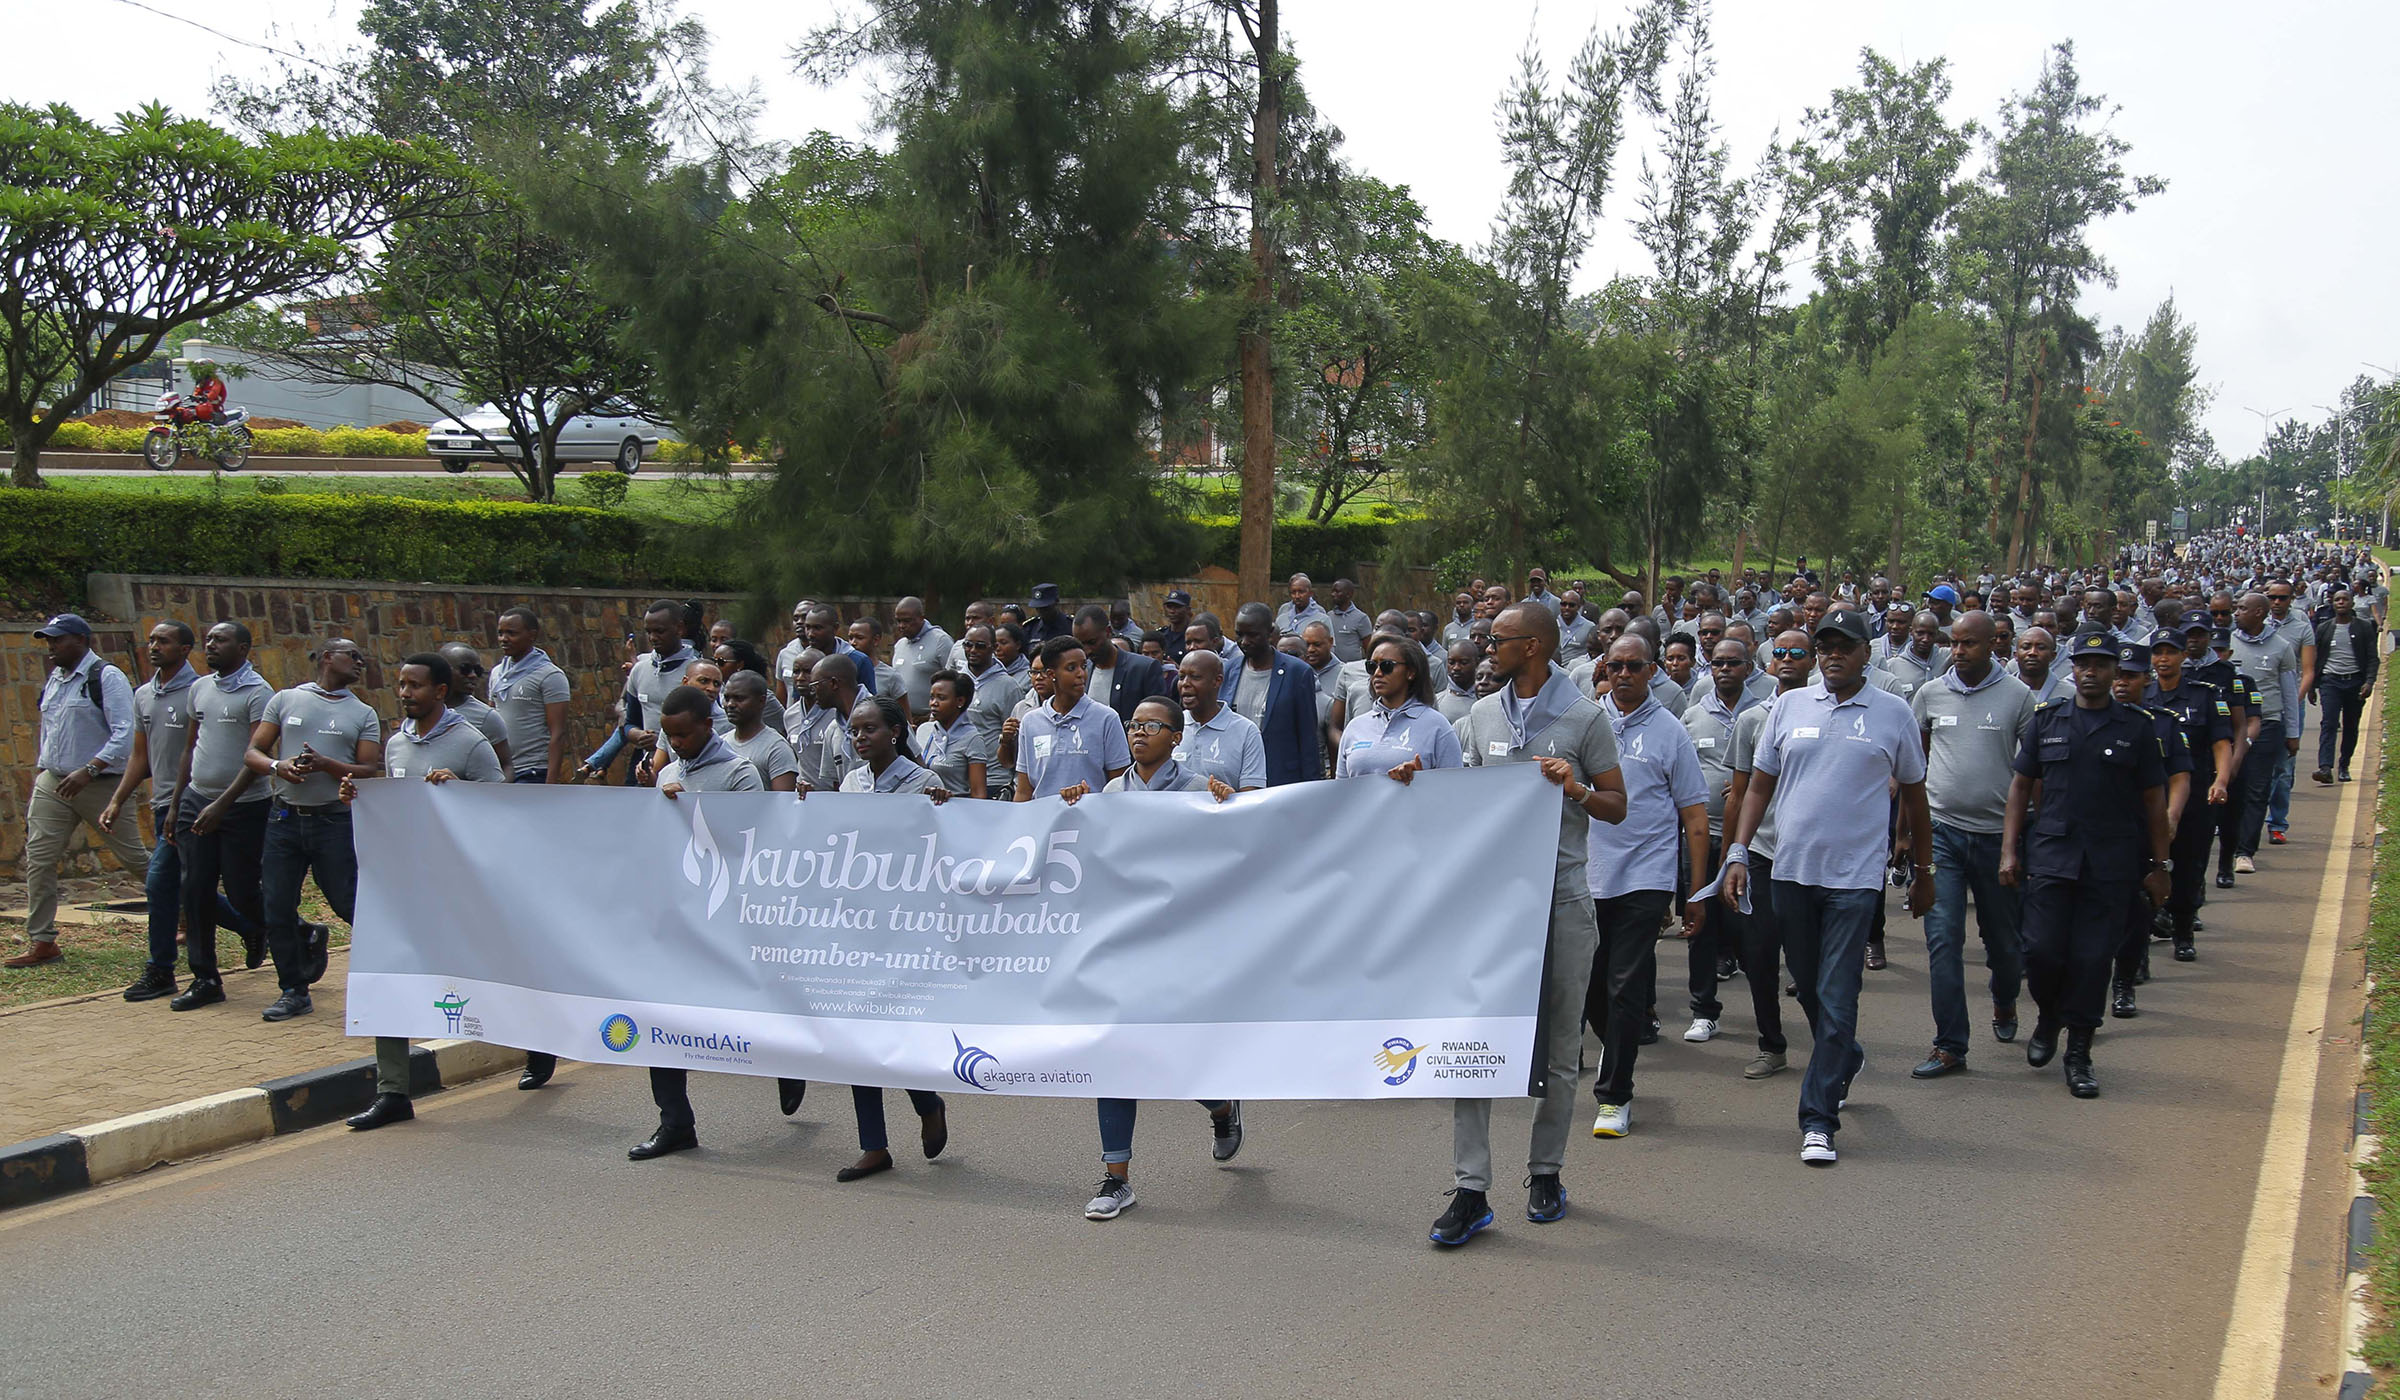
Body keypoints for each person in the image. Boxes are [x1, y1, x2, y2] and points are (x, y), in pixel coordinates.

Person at [1432, 603, 1625, 1246]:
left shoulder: (1585, 717)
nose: (1488, 648)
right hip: (1493, 908)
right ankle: (1470, 1188)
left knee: (1561, 1044)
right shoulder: (1482, 715)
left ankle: (1546, 1171)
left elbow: (1617, 805)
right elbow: (1458, 800)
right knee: (1473, 1047)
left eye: (1499, 640)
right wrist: (1413, 783)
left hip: (1563, 900)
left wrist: (1576, 789)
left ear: (1535, 645)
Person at [1722, 608, 1932, 1167]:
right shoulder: (1789, 706)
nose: (1834, 655)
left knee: (1839, 995)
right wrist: (1739, 852)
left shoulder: (1893, 714)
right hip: (1791, 872)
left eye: (1846, 646)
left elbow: (1915, 796)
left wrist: (1923, 870)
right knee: (1812, 990)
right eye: (1826, 646)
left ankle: (1818, 1119)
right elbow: (1758, 789)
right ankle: (1846, 1055)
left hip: (1854, 880)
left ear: (1868, 652)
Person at [631, 685, 818, 1158]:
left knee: (759, 1002)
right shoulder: (668, 773)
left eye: (683, 734)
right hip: (681, 917)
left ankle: (788, 1058)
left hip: (733, 917)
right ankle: (675, 1122)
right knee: (664, 1017)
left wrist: (690, 813)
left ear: (707, 727)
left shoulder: (739, 774)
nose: (675, 744)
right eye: (668, 736)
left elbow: (754, 845)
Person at [1999, 632, 2173, 1099]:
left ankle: (2079, 1051)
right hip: (2053, 856)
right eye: (2083, 664)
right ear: (2070, 668)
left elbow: (2154, 802)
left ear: (2116, 671)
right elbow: (2020, 787)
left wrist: (2161, 865)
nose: (2090, 672)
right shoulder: (2047, 720)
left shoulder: (2137, 727)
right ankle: (2049, 1014)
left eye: (2101, 664)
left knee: (2093, 960)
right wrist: (2010, 850)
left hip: (2111, 863)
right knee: (2040, 952)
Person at [338, 652, 504, 1131]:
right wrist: (357, 795)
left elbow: (504, 806)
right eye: (401, 685)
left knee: (493, 971)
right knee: (388, 973)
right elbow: (395, 802)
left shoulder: (471, 744)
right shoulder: (395, 745)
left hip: (461, 888)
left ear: (439, 690)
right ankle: (393, 1092)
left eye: (414, 686)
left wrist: (460, 789)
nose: (405, 693)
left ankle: (536, 1046)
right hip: (405, 884)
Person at [1582, 636, 1708, 1140]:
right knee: (1592, 987)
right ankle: (1614, 1049)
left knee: (1624, 985)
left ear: (1653, 670)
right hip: (1587, 874)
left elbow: (1694, 816)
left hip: (1646, 875)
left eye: (1636, 666)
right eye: (1616, 666)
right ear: (1604, 669)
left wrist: (1694, 892)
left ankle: (1615, 1095)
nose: (1625, 673)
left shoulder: (1670, 731)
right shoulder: (1587, 721)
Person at [1906, 611, 2036, 1074]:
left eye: (1970, 645)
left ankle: (2004, 1000)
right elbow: (1913, 765)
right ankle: (1950, 1045)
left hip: (1997, 838)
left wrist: (2019, 840)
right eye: (1954, 644)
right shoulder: (1931, 692)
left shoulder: (2019, 697)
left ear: (1993, 646)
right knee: (1943, 940)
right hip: (1942, 834)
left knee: (2003, 944)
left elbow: (2031, 772)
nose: (1958, 652)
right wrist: (1906, 833)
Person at [246, 638, 382, 1021]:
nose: (359, 661)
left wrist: (327, 764)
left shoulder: (362, 713)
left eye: (361, 656)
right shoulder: (285, 699)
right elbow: (253, 752)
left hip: (332, 821)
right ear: (327, 657)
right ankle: (293, 990)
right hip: (284, 818)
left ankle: (398, 972)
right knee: (277, 906)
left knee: (348, 901)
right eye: (351, 655)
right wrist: (279, 767)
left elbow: (370, 770)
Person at [12, 614, 146, 969]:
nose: (51, 647)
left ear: (81, 641)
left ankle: (186, 915)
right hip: (54, 782)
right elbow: (51, 731)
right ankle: (42, 941)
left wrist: (90, 770)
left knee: (135, 859)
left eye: (58, 640)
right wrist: (44, 772)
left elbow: (125, 733)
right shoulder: (56, 678)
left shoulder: (106, 677)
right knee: (39, 859)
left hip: (99, 784)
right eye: (48, 641)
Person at [160, 623, 276, 1010]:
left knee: (244, 894)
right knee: (194, 889)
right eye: (208, 639)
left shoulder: (259, 693)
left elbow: (256, 759)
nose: (211, 645)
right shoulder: (200, 688)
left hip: (243, 808)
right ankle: (205, 978)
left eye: (220, 640)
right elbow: (189, 748)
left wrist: (222, 805)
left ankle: (301, 932)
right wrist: (177, 803)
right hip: (196, 800)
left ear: (243, 647)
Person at [101, 621, 216, 1001]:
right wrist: (118, 799)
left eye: (164, 641)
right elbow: (140, 756)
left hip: (191, 803)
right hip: (161, 803)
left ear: (185, 649)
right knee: (185, 887)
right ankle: (262, 926)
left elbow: (198, 751)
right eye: (151, 640)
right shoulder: (143, 695)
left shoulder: (199, 691)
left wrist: (183, 803)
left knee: (160, 884)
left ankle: (161, 969)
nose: (154, 647)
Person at [1680, 636, 1762, 1040]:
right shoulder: (1693, 715)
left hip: (1751, 842)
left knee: (1751, 927)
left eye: (1733, 663)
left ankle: (1769, 1015)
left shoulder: (1764, 711)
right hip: (1702, 835)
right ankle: (1703, 1009)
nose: (1725, 669)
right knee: (1700, 923)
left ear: (1749, 667)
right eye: (1717, 663)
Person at [2148, 625, 2235, 962]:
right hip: (2152, 795)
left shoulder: (2204, 695)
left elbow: (2220, 743)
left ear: (2184, 655)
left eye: (2170, 651)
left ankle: (2184, 930)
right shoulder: (2144, 697)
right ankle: (2150, 926)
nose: (2163, 659)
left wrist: (2222, 781)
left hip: (2196, 796)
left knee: (2187, 866)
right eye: (2158, 652)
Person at [579, 600, 696, 783]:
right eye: (648, 631)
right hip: (644, 767)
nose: (653, 637)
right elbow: (629, 722)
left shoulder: (696, 671)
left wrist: (663, 741)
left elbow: (708, 725)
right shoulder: (640, 670)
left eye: (659, 631)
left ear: (679, 628)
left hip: (686, 770)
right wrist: (637, 734)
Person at [2226, 592, 2297, 874]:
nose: (2236, 613)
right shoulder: (2226, 644)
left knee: (2257, 790)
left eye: (2242, 608)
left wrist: (2292, 732)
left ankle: (2245, 852)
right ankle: (2227, 846)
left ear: (2259, 613)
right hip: (2230, 726)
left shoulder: (2281, 647)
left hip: (2267, 725)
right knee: (2231, 787)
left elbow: (2289, 694)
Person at [1013, 636, 1132, 800]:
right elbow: (1024, 790)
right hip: (1044, 821)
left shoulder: (1106, 718)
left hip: (1092, 820)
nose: (1081, 674)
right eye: (1071, 668)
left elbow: (1119, 786)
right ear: (1051, 674)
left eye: (1084, 666)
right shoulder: (1030, 722)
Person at [1334, 635, 1464, 780]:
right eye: (1372, 666)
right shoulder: (1355, 727)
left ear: (1411, 672)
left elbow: (1453, 789)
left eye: (1386, 666)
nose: (1377, 673)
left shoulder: (1438, 727)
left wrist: (1422, 780)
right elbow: (1342, 792)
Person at [1222, 602, 1322, 786]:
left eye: (1252, 635)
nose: (1244, 641)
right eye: (1239, 634)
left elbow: (1307, 737)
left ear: (1270, 633)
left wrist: (1311, 789)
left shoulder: (1297, 673)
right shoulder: (1228, 670)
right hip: (1234, 780)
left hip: (1280, 780)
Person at [490, 608, 572, 784]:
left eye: (511, 633)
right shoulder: (497, 674)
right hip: (503, 770)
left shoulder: (550, 676)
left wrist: (550, 784)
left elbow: (557, 733)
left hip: (533, 771)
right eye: (500, 633)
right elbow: (490, 722)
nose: (504, 639)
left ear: (532, 635)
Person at [1168, 649, 1268, 791]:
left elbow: (1251, 797)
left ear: (1217, 681)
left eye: (1195, 677)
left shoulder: (1246, 731)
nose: (1185, 684)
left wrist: (1229, 796)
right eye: (1181, 677)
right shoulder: (1170, 725)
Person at [2307, 589, 2377, 784]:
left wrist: (2369, 681)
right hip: (2331, 681)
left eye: (2345, 599)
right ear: (2333, 603)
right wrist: (2312, 686)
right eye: (2337, 600)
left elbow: (2372, 657)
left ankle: (2344, 765)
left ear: (2352, 603)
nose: (2341, 603)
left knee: (2350, 725)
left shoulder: (2363, 627)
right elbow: (2316, 658)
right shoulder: (2324, 628)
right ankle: (2325, 767)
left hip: (2355, 682)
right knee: (2329, 723)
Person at [1071, 604, 1172, 727]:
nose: (1087, 651)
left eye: (1092, 642)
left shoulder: (1144, 669)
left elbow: (1158, 720)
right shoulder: (1083, 671)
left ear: (1108, 632)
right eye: (1081, 644)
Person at [438, 643, 513, 776]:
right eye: (465, 669)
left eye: (477, 671)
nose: (473, 675)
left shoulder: (487, 717)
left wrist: (490, 794)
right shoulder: (426, 711)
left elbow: (507, 766)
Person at [915, 670, 991, 798]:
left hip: (956, 811)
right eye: (932, 697)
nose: (934, 703)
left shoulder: (972, 739)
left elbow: (979, 793)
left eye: (941, 698)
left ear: (960, 701)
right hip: (923, 809)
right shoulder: (924, 730)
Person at [722, 671, 800, 791]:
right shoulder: (721, 744)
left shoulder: (777, 748)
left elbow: (783, 803)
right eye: (727, 698)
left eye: (739, 698)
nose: (731, 704)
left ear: (761, 701)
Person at [883, 596, 955, 723]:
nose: (901, 626)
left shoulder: (941, 641)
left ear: (921, 618)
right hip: (902, 719)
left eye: (907, 621)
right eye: (898, 621)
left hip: (930, 720)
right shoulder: (900, 645)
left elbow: (954, 681)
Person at [1322, 578, 1374, 662]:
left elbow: (1369, 647)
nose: (1333, 594)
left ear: (1349, 594)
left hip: (1353, 668)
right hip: (1332, 666)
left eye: (1337, 592)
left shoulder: (1361, 618)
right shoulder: (1328, 616)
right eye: (1332, 591)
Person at [170, 361, 227, 425]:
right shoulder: (202, 381)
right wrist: (194, 397)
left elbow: (213, 393)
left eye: (202, 368)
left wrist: (206, 397)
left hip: (215, 409)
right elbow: (197, 391)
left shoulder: (216, 380)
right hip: (203, 408)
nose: (200, 371)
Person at [1273, 573, 1329, 638]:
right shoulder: (1281, 619)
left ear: (1311, 593)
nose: (1297, 596)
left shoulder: (1323, 620)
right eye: (1293, 592)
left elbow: (1329, 646)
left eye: (1301, 592)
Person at [1437, 641, 1479, 722]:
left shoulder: (1487, 700)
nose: (1456, 668)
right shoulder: (1436, 701)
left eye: (1463, 663)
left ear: (1476, 663)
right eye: (1451, 663)